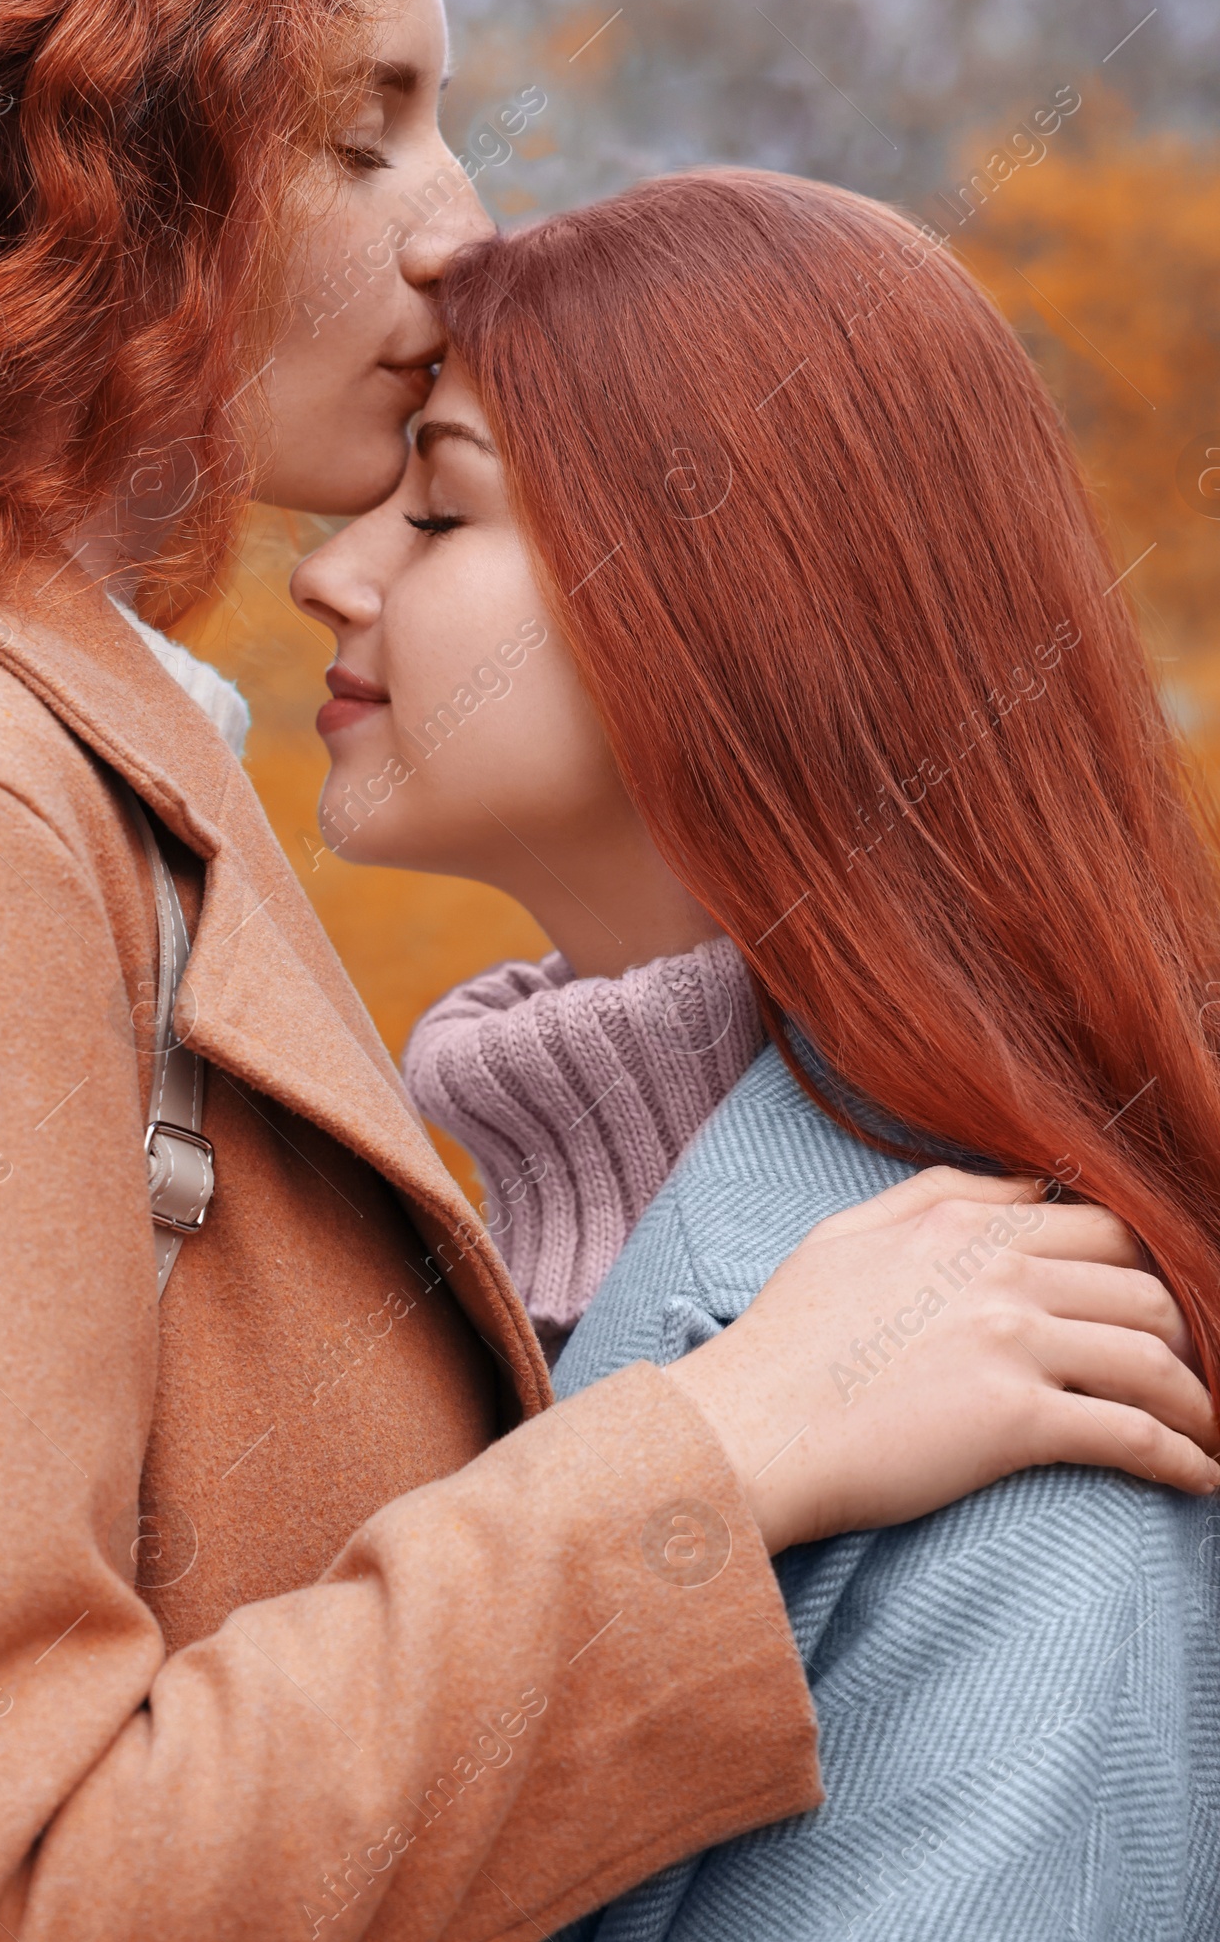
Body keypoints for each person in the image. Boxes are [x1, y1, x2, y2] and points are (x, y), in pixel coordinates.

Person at [0, 0, 1213, 1942]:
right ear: (79, 166)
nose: (456, 231)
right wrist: (705, 1470)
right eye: (361, 138)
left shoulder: (42, 768)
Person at [285, 167, 1220, 1937]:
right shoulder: (433, 1270)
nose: (326, 571)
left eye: (434, 513)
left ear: (732, 588)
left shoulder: (1026, 1394)